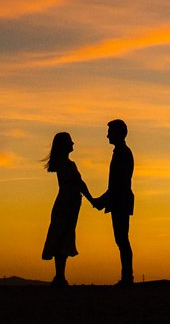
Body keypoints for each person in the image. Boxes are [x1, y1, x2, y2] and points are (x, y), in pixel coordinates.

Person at [41, 131, 96, 285]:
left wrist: (92, 200)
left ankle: (60, 276)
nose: (73, 144)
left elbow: (79, 184)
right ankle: (59, 277)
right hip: (66, 204)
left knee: (62, 236)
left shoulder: (64, 164)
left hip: (68, 203)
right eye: (70, 141)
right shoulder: (67, 165)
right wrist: (93, 200)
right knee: (62, 236)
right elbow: (79, 183)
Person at [92, 119, 135, 284]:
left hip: (121, 201)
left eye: (110, 132)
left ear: (118, 133)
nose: (107, 135)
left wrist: (101, 201)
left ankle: (127, 277)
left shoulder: (122, 153)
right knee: (121, 239)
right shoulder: (121, 152)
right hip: (119, 200)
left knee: (122, 239)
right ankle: (127, 276)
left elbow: (118, 184)